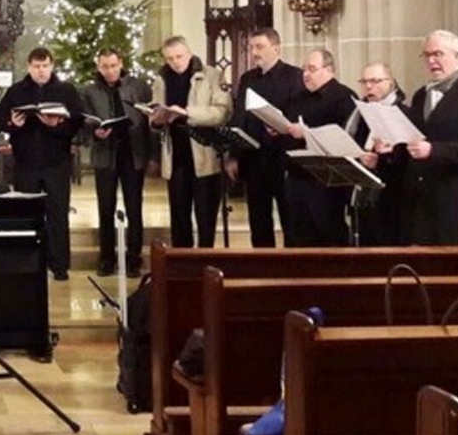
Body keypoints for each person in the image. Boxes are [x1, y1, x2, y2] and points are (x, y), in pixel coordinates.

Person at [0, 47, 84, 281]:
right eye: (36, 67)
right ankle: (30, 262)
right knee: (27, 212)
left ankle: (60, 264)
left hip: (56, 161)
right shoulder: (16, 91)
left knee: (58, 213)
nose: (41, 71)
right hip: (26, 162)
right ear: (29, 67)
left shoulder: (65, 90)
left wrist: (57, 125)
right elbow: (0, 119)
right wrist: (12, 123)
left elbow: (77, 122)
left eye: (45, 66)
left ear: (52, 66)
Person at [149, 36, 233, 249]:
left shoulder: (211, 75)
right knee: (179, 218)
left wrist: (187, 113)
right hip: (175, 156)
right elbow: (155, 112)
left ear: (189, 53)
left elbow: (222, 112)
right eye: (169, 58)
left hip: (204, 156)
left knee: (206, 219)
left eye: (179, 56)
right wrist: (156, 120)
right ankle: (182, 266)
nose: (175, 62)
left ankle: (205, 264)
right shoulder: (161, 79)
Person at [227, 28, 305, 248]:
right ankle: (262, 266)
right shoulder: (248, 78)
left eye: (259, 47)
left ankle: (292, 268)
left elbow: (299, 115)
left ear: (276, 48)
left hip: (283, 158)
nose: (254, 52)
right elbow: (239, 116)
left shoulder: (294, 76)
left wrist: (284, 127)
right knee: (258, 219)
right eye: (251, 47)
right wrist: (233, 155)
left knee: (289, 216)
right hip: (253, 158)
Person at [79, 48, 153, 277]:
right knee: (105, 207)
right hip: (105, 153)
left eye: (113, 65)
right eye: (105, 66)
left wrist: (152, 155)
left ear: (121, 63)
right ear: (98, 66)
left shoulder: (138, 86)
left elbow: (149, 118)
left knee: (134, 207)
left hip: (132, 152)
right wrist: (95, 132)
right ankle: (106, 258)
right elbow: (84, 121)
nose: (109, 71)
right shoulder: (89, 90)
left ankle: (133, 258)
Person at [399, 30, 458, 245]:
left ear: (457, 56)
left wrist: (433, 150)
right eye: (427, 55)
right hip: (421, 202)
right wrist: (392, 146)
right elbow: (414, 137)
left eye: (438, 54)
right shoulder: (421, 94)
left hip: (457, 202)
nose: (431, 61)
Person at [280, 49, 357, 247]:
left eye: (312, 69)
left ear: (329, 70)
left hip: (327, 181)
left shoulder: (344, 97)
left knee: (329, 233)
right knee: (299, 236)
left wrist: (307, 133)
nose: (306, 74)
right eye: (304, 69)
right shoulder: (298, 97)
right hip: (297, 177)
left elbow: (344, 137)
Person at [349, 62, 409, 246]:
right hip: (364, 194)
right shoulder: (360, 114)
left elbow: (406, 156)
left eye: (375, 81)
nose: (368, 86)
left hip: (391, 197)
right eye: (364, 81)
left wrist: (381, 161)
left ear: (390, 82)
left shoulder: (403, 112)